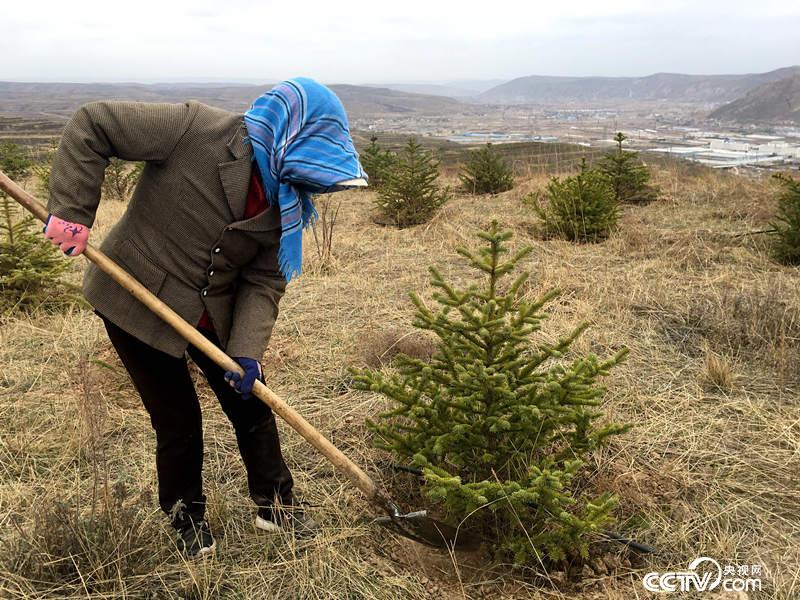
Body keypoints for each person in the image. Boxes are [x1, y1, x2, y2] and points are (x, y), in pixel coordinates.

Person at [43, 78, 367, 558]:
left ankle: (275, 508)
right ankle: (186, 521)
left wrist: (247, 352)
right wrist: (72, 211)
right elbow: (94, 124)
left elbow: (264, 280)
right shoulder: (195, 130)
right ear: (288, 134)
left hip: (212, 311)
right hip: (136, 297)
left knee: (253, 406)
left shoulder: (288, 200)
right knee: (178, 420)